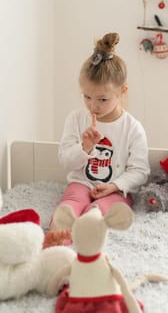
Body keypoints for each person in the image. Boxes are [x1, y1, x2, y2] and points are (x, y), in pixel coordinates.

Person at [44, 32, 150, 247]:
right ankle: (58, 239)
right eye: (87, 96)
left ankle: (90, 225)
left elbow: (140, 171)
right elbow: (66, 161)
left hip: (115, 191)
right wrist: (85, 147)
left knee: (102, 209)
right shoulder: (76, 119)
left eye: (102, 99)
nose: (93, 106)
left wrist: (115, 185)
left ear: (122, 91)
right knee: (72, 202)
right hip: (82, 183)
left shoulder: (132, 128)